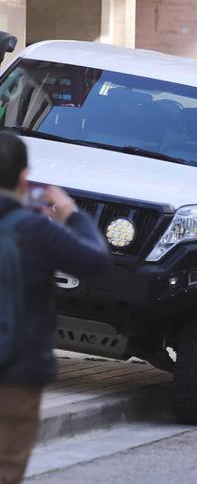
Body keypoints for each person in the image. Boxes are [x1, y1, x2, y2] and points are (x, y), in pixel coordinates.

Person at [0, 131, 111, 483]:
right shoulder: (34, 230)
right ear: (22, 178)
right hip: (17, 372)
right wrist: (71, 215)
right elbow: (95, 261)